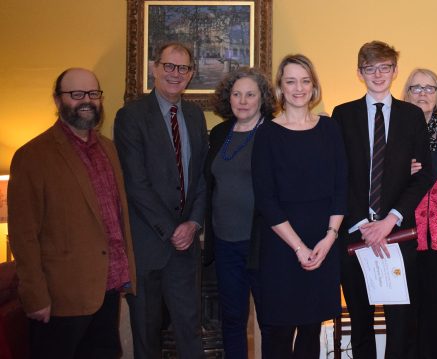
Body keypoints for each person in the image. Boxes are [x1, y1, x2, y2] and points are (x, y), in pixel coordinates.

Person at [8, 68, 136, 358]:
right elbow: (23, 235)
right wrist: (36, 297)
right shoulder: (32, 157)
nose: (86, 101)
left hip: (108, 288)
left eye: (93, 94)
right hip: (61, 298)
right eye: (76, 94)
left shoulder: (108, 149)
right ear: (57, 100)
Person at [332, 40, 433, 359]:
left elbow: (423, 174)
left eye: (385, 67)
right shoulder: (342, 114)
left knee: (400, 325)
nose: (378, 74)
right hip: (354, 233)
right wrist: (364, 223)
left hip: (397, 233)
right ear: (360, 73)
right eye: (370, 68)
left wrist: (390, 220)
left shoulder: (412, 115)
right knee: (360, 321)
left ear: (395, 70)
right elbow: (338, 175)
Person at [114, 43, 208, 359]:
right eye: (169, 66)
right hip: (147, 246)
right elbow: (135, 183)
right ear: (155, 68)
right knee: (146, 333)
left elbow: (201, 178)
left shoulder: (195, 117)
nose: (175, 74)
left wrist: (193, 223)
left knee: (189, 330)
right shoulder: (130, 116)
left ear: (191, 74)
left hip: (185, 248)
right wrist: (171, 230)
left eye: (182, 69)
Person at [251, 54, 346, 359]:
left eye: (305, 81)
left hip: (323, 243)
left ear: (314, 86)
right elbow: (265, 198)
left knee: (311, 333)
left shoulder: (330, 128)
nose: (298, 88)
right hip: (282, 247)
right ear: (280, 88)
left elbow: (341, 188)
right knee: (277, 336)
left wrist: (329, 239)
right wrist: (298, 248)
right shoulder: (267, 133)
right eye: (290, 81)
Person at [205, 67, 274, 358]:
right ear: (228, 98)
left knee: (270, 321)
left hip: (263, 243)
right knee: (232, 320)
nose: (242, 101)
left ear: (262, 99)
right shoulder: (220, 133)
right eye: (236, 94)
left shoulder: (274, 132)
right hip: (225, 243)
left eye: (250, 94)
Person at [401, 68, 437, 359]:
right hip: (403, 235)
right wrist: (399, 174)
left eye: (429, 88)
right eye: (415, 88)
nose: (422, 93)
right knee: (407, 312)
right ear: (406, 94)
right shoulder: (395, 133)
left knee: (435, 310)